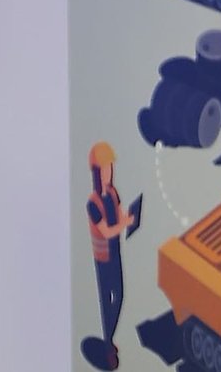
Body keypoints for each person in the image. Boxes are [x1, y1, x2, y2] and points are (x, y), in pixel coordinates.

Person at [85, 141, 136, 371]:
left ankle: (108, 339)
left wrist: (129, 218)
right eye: (105, 168)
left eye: (110, 167)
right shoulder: (93, 204)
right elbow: (105, 231)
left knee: (120, 294)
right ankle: (108, 342)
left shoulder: (113, 194)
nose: (109, 172)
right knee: (106, 301)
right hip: (102, 258)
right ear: (97, 173)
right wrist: (124, 223)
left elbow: (119, 215)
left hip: (115, 253)